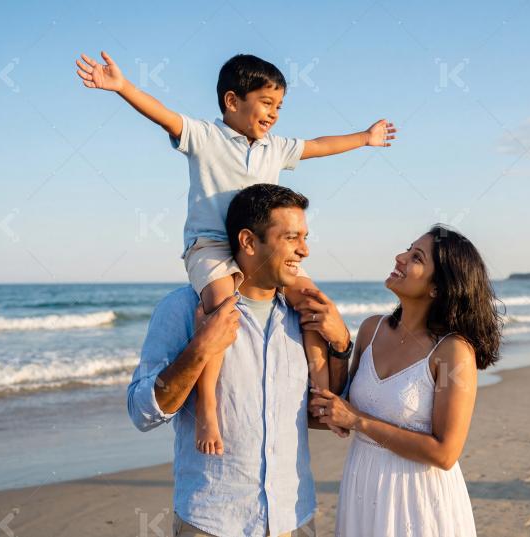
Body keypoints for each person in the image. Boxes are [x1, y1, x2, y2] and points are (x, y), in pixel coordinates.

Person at [77, 51, 395, 454]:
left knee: (311, 301)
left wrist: (365, 138)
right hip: (210, 244)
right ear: (232, 101)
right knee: (222, 308)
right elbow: (164, 114)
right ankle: (208, 405)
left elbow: (318, 145)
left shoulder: (274, 148)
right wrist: (122, 87)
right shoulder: (205, 137)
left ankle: (319, 389)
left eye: (279, 105)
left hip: (263, 251)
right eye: (266, 103)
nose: (274, 113)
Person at [127, 184, 352, 536]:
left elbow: (326, 414)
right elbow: (142, 412)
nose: (304, 251)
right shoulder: (182, 308)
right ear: (248, 242)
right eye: (291, 237)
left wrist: (341, 345)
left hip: (293, 518)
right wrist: (199, 348)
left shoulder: (305, 317)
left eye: (305, 237)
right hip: (212, 521)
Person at [310, 225, 503, 536]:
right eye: (407, 249)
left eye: (416, 257)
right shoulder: (371, 330)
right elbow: (337, 413)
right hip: (363, 489)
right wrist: (338, 344)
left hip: (418, 499)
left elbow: (445, 453)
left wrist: (358, 420)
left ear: (437, 287)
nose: (399, 257)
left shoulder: (452, 352)